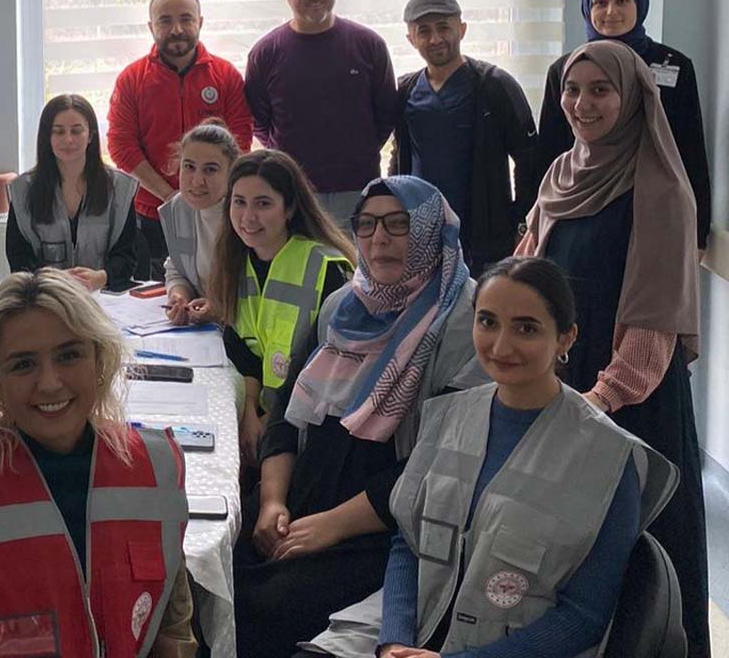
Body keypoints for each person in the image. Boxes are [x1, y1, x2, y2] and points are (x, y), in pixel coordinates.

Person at [370, 257, 677, 657]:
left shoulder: (610, 459)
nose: (500, 346)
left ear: (565, 338)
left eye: (526, 328)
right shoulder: (447, 417)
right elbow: (409, 542)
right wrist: (394, 641)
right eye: (488, 322)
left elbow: (583, 616)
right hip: (415, 637)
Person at [236, 176, 487, 657]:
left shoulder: (464, 321)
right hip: (303, 497)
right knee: (216, 565)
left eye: (400, 225)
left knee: (268, 603)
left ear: (432, 232)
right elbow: (287, 415)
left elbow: (439, 466)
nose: (379, 239)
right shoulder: (343, 307)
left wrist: (332, 525)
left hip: (385, 526)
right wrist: (272, 501)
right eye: (368, 225)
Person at [518, 39, 708, 657]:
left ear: (631, 98)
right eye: (573, 90)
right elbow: (527, 269)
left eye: (601, 90)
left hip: (629, 398)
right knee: (567, 549)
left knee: (635, 548)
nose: (582, 103)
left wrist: (597, 402)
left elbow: (654, 323)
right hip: (564, 379)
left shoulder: (660, 190)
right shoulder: (560, 173)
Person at [0, 269, 197, 657]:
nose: (50, 383)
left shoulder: (156, 468)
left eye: (69, 355)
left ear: (99, 359)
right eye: (23, 364)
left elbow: (171, 628)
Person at [534, 0, 711, 250]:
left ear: (639, 5)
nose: (610, 11)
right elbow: (551, 150)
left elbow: (689, 148)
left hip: (651, 201)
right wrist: (535, 221)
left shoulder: (673, 64)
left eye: (622, 0)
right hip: (583, 201)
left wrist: (698, 231)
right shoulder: (565, 69)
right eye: (600, 2)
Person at [210, 149, 354, 472]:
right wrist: (249, 412)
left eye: (263, 203)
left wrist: (267, 425)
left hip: (310, 427)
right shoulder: (237, 262)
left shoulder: (327, 267)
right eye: (239, 202)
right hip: (265, 417)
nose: (248, 217)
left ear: (289, 209)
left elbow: (330, 371)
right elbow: (243, 349)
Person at [107, 0, 253, 280]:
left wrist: (208, 195)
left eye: (186, 19)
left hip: (219, 215)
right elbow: (122, 147)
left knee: (219, 292)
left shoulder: (225, 76)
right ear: (151, 27)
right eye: (165, 20)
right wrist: (171, 196)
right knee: (160, 302)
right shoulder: (132, 80)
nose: (176, 29)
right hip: (151, 216)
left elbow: (239, 144)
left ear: (200, 22)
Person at [389, 0, 539, 272]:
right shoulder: (405, 91)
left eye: (444, 27)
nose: (435, 39)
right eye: (424, 31)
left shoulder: (494, 86)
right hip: (421, 232)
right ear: (411, 39)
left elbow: (528, 159)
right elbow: (399, 155)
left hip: (483, 233)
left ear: (462, 28)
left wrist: (522, 221)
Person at [244, 0, 398, 223]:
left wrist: (357, 151)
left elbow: (386, 113)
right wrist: (289, 153)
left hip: (357, 186)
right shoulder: (265, 53)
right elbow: (258, 120)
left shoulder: (369, 44)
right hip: (293, 189)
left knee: (356, 263)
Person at [7, 94, 139, 291]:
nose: (68, 139)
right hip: (46, 297)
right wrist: (54, 278)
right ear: (47, 137)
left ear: (91, 136)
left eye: (76, 131)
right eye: (58, 132)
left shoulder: (119, 187)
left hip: (103, 298)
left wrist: (101, 277)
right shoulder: (22, 190)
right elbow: (19, 260)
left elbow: (127, 256)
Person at [161, 118, 240, 325]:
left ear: (231, 173)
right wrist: (178, 296)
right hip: (203, 331)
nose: (197, 181)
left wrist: (221, 308)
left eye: (210, 170)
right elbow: (177, 268)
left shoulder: (244, 213)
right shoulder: (179, 207)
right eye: (189, 166)